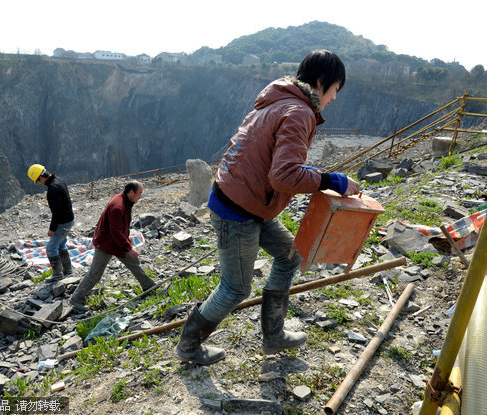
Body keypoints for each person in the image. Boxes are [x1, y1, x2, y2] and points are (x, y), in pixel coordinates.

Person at [175, 50, 360, 365]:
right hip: (238, 210)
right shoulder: (300, 112)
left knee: (291, 256)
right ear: (320, 83)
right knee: (235, 289)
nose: (334, 99)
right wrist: (333, 181)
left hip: (246, 201)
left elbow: (273, 163)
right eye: (335, 91)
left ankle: (273, 334)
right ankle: (189, 344)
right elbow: (283, 175)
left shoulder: (275, 101)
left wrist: (315, 176)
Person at [69, 181, 156, 312]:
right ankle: (76, 299)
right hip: (106, 244)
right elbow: (115, 232)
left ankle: (149, 287)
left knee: (133, 262)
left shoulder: (124, 201)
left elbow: (120, 228)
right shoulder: (118, 206)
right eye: (140, 193)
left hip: (117, 242)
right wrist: (129, 247)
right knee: (95, 274)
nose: (140, 196)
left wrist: (127, 240)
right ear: (131, 192)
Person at [27, 164, 75, 282]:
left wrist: (52, 229)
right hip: (69, 219)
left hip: (63, 222)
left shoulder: (52, 189)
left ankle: (58, 275)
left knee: (51, 248)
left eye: (37, 181)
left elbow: (57, 212)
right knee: (61, 244)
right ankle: (67, 270)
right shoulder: (59, 180)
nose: (39, 183)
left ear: (40, 177)